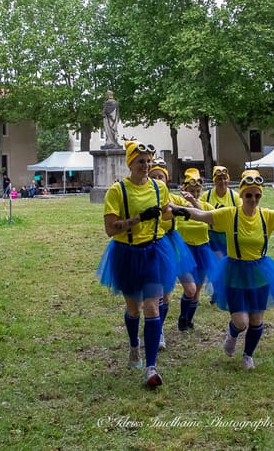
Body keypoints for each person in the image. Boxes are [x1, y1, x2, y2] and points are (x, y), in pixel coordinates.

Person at [172, 169, 274, 369]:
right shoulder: (230, 214)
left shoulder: (267, 215)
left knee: (257, 320)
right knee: (241, 321)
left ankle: (248, 355)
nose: (253, 199)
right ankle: (233, 333)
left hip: (259, 271)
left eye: (257, 195)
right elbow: (203, 215)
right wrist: (178, 209)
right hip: (235, 272)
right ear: (241, 195)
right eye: (248, 195)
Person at [96, 141, 177, 388]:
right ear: (130, 163)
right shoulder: (117, 191)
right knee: (134, 308)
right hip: (127, 253)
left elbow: (166, 212)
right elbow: (111, 229)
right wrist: (139, 219)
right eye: (141, 161)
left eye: (149, 161)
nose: (146, 165)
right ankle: (134, 346)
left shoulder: (158, 187)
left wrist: (180, 211)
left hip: (155, 251)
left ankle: (151, 368)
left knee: (152, 306)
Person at [148, 158, 196, 350]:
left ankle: (182, 319)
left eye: (162, 176)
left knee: (191, 289)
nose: (159, 179)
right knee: (164, 293)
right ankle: (158, 331)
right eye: (155, 177)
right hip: (158, 244)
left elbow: (190, 208)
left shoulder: (173, 197)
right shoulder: (148, 198)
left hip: (174, 242)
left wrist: (192, 202)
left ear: (167, 180)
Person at [171, 168, 219, 332]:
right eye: (192, 191)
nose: (196, 193)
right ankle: (182, 316)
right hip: (185, 250)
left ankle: (188, 320)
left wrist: (194, 202)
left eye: (198, 190)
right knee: (189, 288)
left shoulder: (204, 205)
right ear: (185, 190)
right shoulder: (179, 205)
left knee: (197, 290)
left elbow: (211, 219)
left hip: (202, 250)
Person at [201, 165, 241, 306]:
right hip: (212, 236)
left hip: (228, 236)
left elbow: (240, 215)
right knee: (217, 265)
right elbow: (201, 213)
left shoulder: (234, 196)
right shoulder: (207, 196)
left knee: (228, 266)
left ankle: (226, 292)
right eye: (219, 179)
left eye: (224, 178)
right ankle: (217, 293)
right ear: (214, 180)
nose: (222, 182)